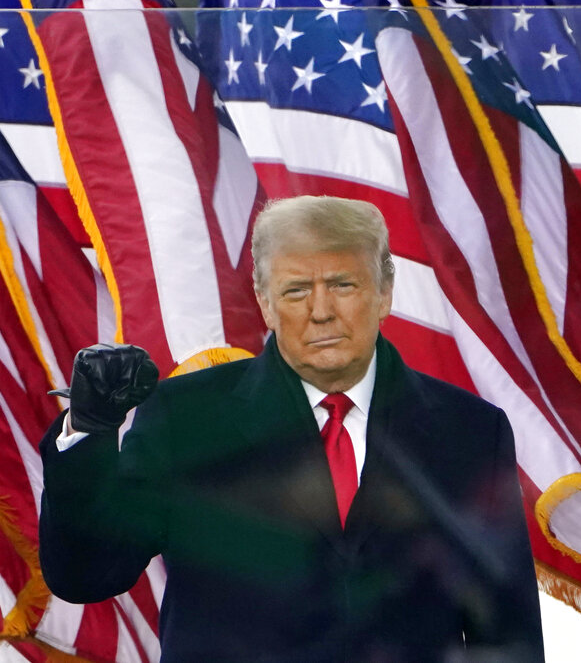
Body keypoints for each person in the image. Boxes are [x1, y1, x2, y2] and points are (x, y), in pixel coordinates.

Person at [39, 195, 544, 662]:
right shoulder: (186, 418)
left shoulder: (469, 430)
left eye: (343, 285)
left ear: (385, 292)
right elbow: (86, 573)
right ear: (264, 301)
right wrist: (90, 429)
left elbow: (504, 632)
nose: (321, 312)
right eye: (296, 290)